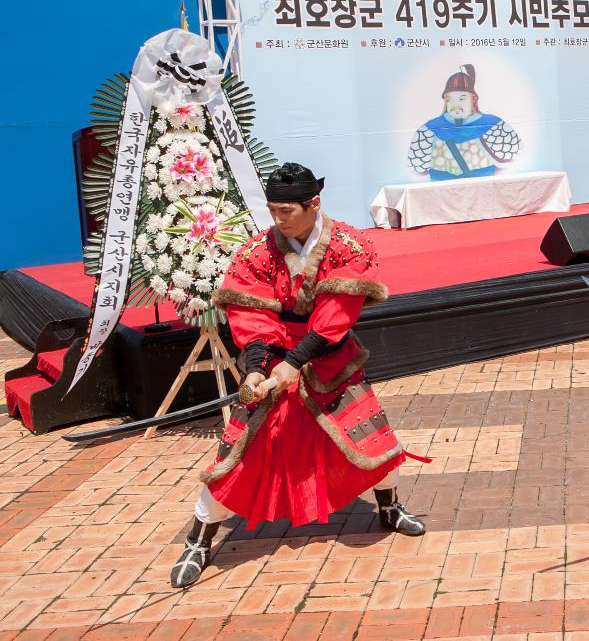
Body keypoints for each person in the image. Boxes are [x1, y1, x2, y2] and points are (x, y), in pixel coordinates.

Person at [169, 163, 424, 589]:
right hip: (270, 356)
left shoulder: (349, 245)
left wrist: (295, 362)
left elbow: (333, 319)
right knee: (238, 450)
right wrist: (254, 370)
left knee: (372, 441)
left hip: (329, 355)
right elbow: (250, 314)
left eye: (287, 210)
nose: (279, 219)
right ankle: (199, 539)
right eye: (272, 210)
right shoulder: (257, 252)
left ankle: (389, 506)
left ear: (314, 204)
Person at [407, 63, 522, 179]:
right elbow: (418, 170)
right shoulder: (428, 130)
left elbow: (511, 162)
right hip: (443, 190)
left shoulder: (493, 125)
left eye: (462, 98)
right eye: (449, 99)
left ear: (473, 99)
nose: (455, 105)